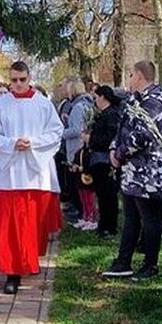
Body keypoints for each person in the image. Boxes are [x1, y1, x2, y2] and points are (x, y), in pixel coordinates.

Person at [0, 61, 64, 295]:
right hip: (10, 174)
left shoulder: (43, 104)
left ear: (29, 78)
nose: (18, 84)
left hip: (35, 173)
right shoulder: (0, 104)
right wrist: (11, 143)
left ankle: (28, 262)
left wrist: (33, 143)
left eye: (22, 80)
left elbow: (56, 132)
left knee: (31, 225)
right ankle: (11, 272)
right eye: (14, 80)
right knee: (9, 226)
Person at [102, 61, 162, 282]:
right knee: (131, 217)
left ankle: (150, 264)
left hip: (148, 172)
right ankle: (123, 262)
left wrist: (120, 153)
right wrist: (114, 149)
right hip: (132, 172)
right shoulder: (134, 99)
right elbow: (123, 128)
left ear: (140, 76)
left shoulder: (155, 100)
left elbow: (143, 135)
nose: (129, 79)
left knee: (149, 219)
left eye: (131, 75)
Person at [87, 85, 123, 238]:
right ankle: (104, 224)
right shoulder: (103, 114)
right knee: (102, 195)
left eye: (96, 97)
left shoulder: (112, 115)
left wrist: (91, 139)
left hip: (106, 160)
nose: (95, 100)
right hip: (98, 160)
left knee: (108, 195)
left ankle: (110, 226)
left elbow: (110, 139)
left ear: (102, 97)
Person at [62, 77, 94, 222]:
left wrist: (59, 133)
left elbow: (76, 130)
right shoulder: (88, 104)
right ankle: (87, 214)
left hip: (76, 150)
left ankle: (85, 214)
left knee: (80, 185)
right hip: (84, 149)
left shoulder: (78, 107)